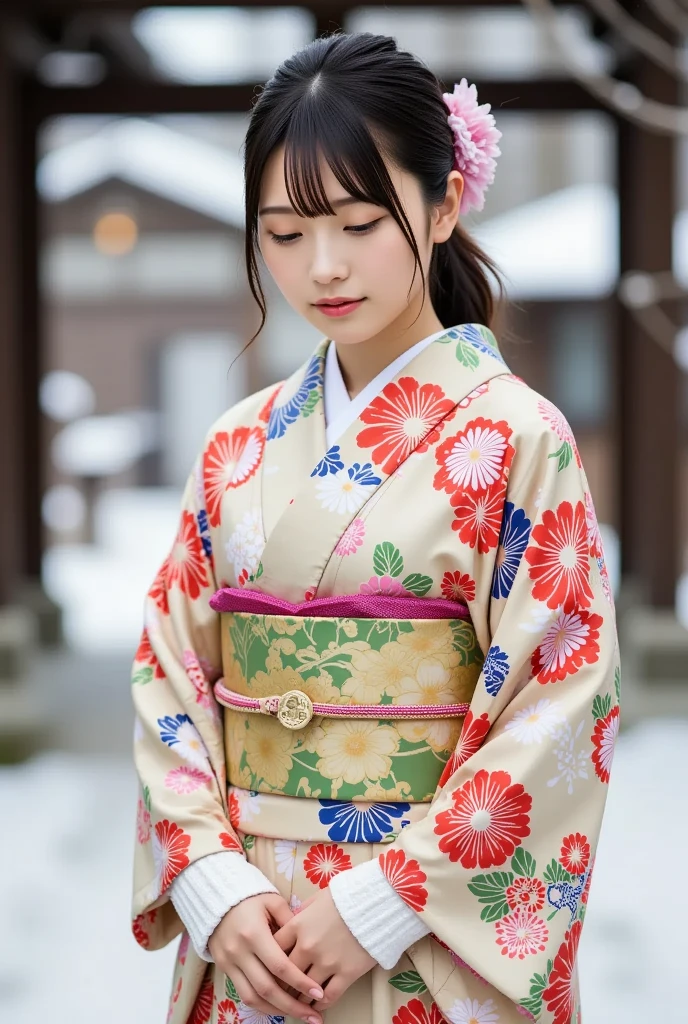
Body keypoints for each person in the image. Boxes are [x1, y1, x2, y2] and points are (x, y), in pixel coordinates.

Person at [130, 31, 619, 1024]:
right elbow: (168, 671)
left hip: (421, 940)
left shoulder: (516, 438)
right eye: (283, 232)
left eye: (358, 223)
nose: (322, 266)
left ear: (443, 204)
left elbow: (560, 702)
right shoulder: (237, 444)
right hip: (254, 935)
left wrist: (384, 899)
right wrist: (213, 883)